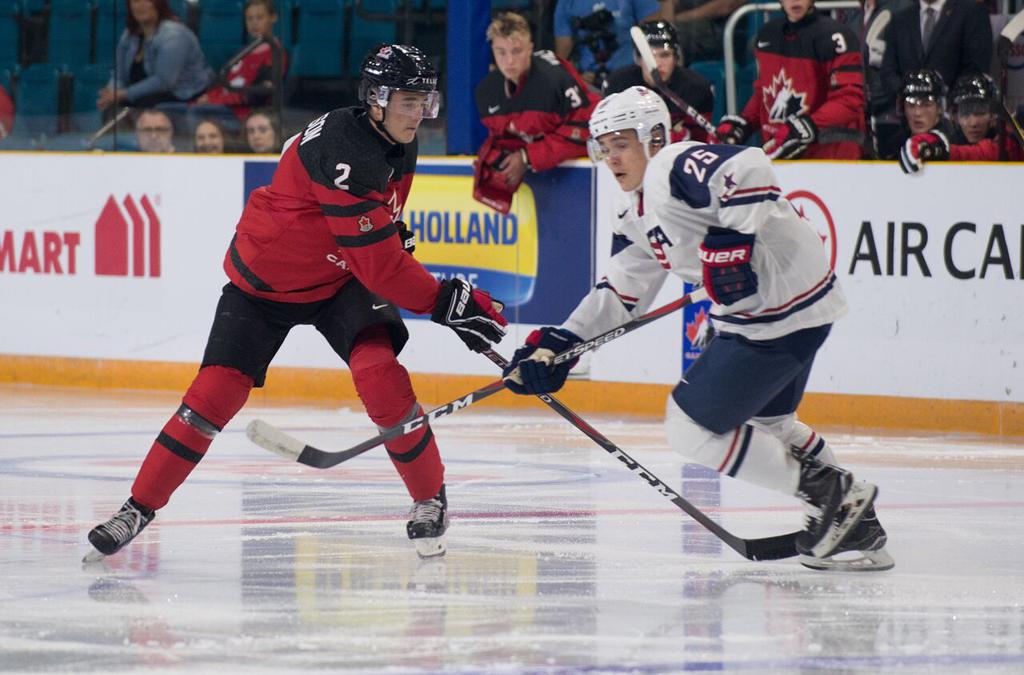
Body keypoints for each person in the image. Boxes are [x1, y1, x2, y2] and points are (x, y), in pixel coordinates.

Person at [83, 44, 508, 563]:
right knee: (211, 398)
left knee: (379, 374)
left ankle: (429, 499)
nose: (418, 114)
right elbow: (381, 267)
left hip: (340, 277)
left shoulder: (398, 137)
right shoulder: (345, 150)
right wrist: (446, 301)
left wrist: (389, 236)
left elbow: (377, 226)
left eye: (425, 102)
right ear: (375, 99)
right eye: (407, 101)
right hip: (265, 284)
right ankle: (137, 508)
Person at [502, 86, 893, 572]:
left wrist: (731, 240)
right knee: (769, 426)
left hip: (774, 313)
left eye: (621, 144)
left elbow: (749, 165)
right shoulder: (633, 209)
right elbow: (623, 289)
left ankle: (834, 497)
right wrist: (563, 341)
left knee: (689, 428)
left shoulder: (670, 164)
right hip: (788, 311)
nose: (612, 158)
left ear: (655, 137)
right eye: (604, 147)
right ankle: (856, 521)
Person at [473, 12, 601, 213]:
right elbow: (508, 136)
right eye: (501, 52)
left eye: (516, 51)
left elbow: (588, 131)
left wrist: (527, 156)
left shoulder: (554, 81)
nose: (509, 61)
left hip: (592, 169)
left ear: (530, 48)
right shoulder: (487, 91)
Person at [714, 0, 866, 160]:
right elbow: (765, 93)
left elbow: (850, 99)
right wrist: (745, 123)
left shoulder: (836, 37)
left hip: (830, 157)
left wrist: (809, 125)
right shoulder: (768, 34)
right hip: (779, 156)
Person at [603, 19, 715, 142]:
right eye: (649, 56)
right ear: (637, 59)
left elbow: (701, 141)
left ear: (676, 58)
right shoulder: (617, 85)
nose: (657, 64)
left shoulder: (697, 88)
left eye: (665, 55)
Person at [877, 0, 992, 119]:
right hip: (910, 121)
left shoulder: (972, 12)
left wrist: (943, 104)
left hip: (954, 119)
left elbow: (976, 68)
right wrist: (909, 100)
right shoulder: (899, 19)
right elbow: (888, 70)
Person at [97, 0, 212, 112]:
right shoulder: (128, 35)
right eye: (135, 1)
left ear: (159, 3)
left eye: (147, 0)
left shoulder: (174, 34)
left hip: (182, 94)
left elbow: (163, 82)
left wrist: (123, 94)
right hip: (143, 95)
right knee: (111, 107)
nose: (141, 5)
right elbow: (119, 75)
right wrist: (110, 92)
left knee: (144, 105)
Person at [900, 71, 1024, 172]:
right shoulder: (951, 138)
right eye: (965, 113)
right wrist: (936, 146)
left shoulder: (1004, 143)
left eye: (980, 113)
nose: (973, 123)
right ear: (954, 116)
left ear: (993, 116)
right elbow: (970, 153)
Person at [194, 0, 288, 123]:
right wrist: (208, 97)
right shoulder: (244, 51)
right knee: (175, 110)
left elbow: (259, 94)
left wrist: (214, 101)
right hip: (220, 106)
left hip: (243, 113)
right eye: (249, 18)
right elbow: (221, 81)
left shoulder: (276, 52)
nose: (254, 23)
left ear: (273, 18)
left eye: (259, 17)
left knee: (194, 114)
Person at [554, 0, 664, 86]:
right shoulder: (566, 2)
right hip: (590, 80)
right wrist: (578, 77)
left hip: (632, 76)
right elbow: (563, 53)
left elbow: (655, 35)